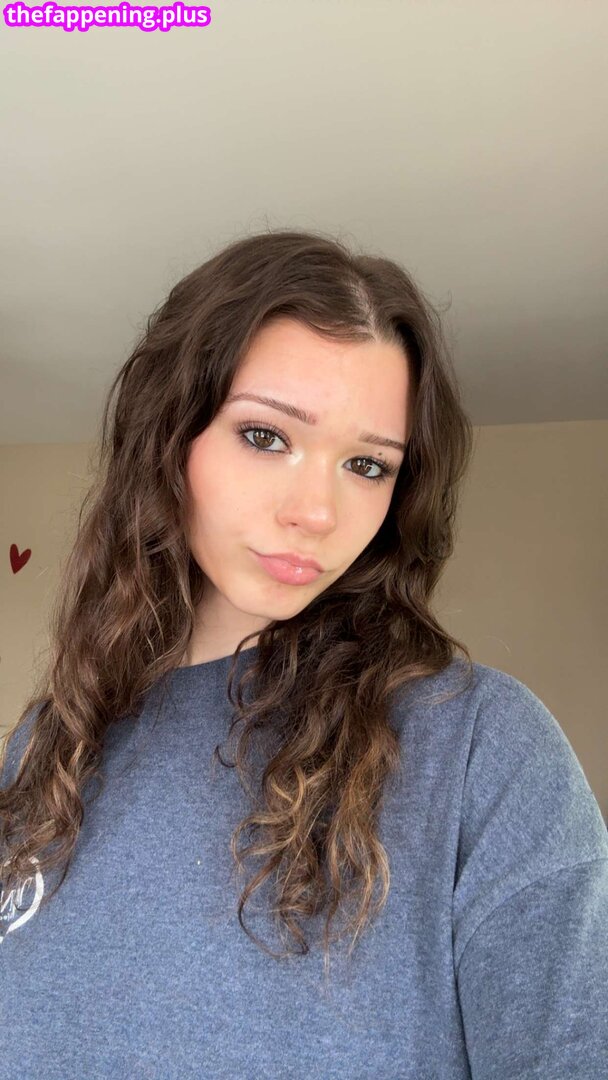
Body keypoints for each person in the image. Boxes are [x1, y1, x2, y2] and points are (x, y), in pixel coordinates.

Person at [1, 228, 606, 1079]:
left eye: (367, 464)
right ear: (167, 439)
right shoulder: (48, 746)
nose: (317, 512)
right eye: (265, 437)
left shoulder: (480, 747)